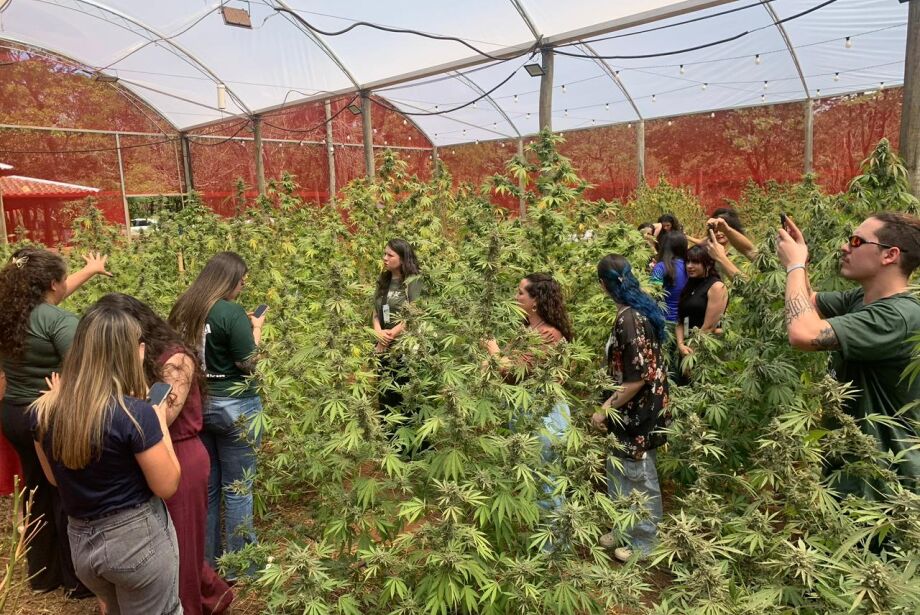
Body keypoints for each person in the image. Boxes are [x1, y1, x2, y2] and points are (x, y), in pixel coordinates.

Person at [31, 304, 182, 614]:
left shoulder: (43, 412)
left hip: (83, 543)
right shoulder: (135, 414)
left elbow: (53, 479)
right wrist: (159, 422)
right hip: (136, 541)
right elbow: (167, 485)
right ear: (135, 351)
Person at [96, 293, 233, 614]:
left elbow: (161, 417)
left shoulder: (176, 359)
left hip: (180, 456)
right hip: (145, 456)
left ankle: (190, 606)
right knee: (160, 548)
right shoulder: (131, 359)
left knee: (181, 549)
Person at [777, 212, 920, 498]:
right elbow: (808, 303)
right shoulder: (863, 299)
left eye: (856, 241)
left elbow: (804, 333)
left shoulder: (898, 317)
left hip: (883, 484)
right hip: (849, 466)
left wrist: (794, 265)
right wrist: (801, 259)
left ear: (890, 255)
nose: (845, 247)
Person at [0, 248, 110, 596]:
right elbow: (84, 372)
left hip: (13, 414)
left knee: (35, 490)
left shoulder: (9, 311)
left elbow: (51, 300)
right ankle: (77, 581)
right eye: (63, 279)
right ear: (51, 283)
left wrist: (89, 271)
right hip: (48, 414)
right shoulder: (61, 322)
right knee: (65, 492)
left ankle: (43, 574)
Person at [169, 251, 266, 570]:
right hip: (236, 405)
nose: (242, 286)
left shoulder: (185, 307)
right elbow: (248, 363)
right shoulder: (230, 312)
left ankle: (207, 563)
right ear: (230, 280)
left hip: (198, 403)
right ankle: (241, 565)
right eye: (242, 281)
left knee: (208, 489)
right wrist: (256, 330)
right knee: (238, 488)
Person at [592, 254, 671, 562]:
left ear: (603, 285)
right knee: (619, 468)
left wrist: (604, 409)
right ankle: (624, 528)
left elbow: (637, 379)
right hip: (632, 409)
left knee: (638, 475)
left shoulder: (628, 319)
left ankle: (646, 541)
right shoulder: (636, 309)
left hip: (638, 411)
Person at [485, 274, 573, 533]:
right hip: (525, 411)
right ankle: (539, 537)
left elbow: (514, 370)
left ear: (536, 301)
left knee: (547, 479)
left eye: (520, 293)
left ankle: (553, 542)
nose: (516, 297)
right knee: (532, 478)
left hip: (546, 415)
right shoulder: (526, 330)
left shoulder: (549, 334)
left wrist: (493, 351)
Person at [373, 239, 423, 416]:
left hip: (405, 349)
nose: (385, 258)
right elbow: (376, 312)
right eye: (384, 254)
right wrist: (378, 333)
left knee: (405, 398)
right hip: (383, 347)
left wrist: (391, 335)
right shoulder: (383, 280)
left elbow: (415, 312)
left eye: (390, 255)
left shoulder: (413, 281)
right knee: (386, 397)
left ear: (402, 259)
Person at [676, 245, 728, 370]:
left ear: (708, 264)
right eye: (687, 262)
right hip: (687, 347)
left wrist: (691, 351)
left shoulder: (717, 287)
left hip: (706, 349)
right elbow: (680, 320)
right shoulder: (689, 285)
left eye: (695, 262)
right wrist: (681, 345)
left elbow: (709, 327)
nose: (689, 266)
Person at [650, 231, 689, 323]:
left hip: (664, 319)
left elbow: (654, 294)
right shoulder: (690, 266)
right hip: (685, 319)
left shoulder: (661, 267)